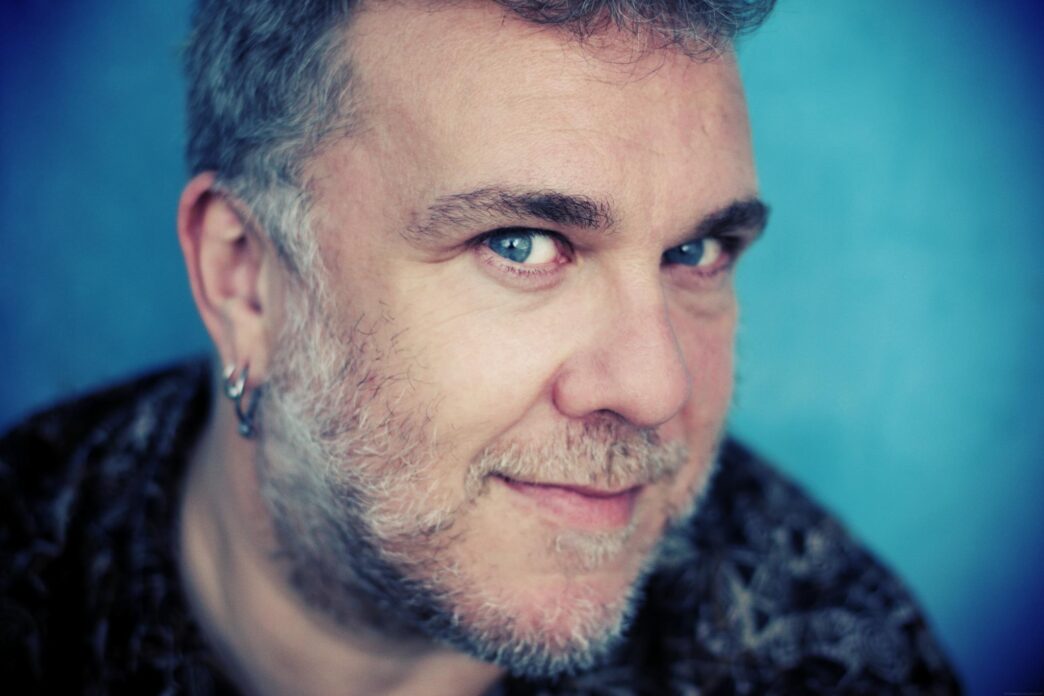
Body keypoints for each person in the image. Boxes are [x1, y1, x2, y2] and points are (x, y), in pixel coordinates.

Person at [0, 0, 961, 693]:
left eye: (696, 252)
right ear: (246, 277)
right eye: (521, 245)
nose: (657, 387)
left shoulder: (826, 653)